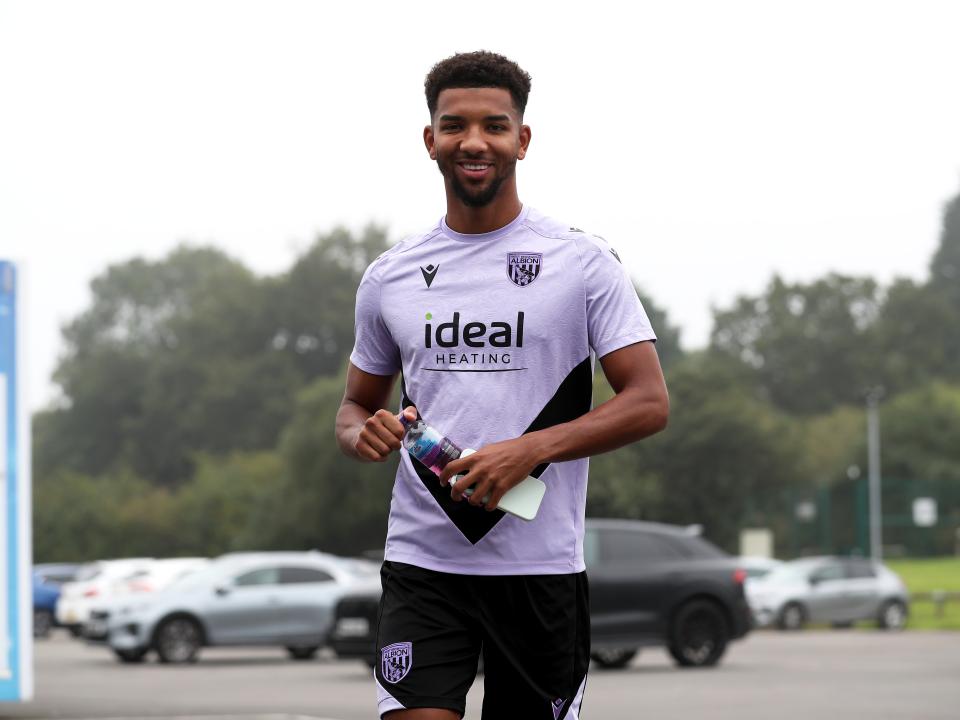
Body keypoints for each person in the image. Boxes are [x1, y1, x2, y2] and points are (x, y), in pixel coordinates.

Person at [335, 50, 669, 720]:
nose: (474, 141)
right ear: (431, 140)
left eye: (494, 124)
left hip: (539, 569)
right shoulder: (390, 276)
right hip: (423, 562)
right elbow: (354, 406)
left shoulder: (582, 263)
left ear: (522, 138)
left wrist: (529, 449)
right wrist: (359, 432)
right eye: (455, 125)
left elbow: (649, 402)